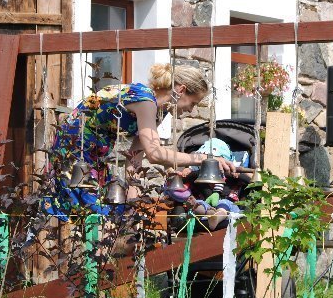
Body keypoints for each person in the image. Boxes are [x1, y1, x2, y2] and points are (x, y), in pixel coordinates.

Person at [50, 63, 238, 212]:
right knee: (92, 213)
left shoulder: (157, 111)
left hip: (95, 154)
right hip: (75, 151)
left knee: (111, 212)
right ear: (181, 90)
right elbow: (155, 153)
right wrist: (206, 159)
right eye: (193, 102)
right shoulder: (145, 102)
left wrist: (134, 203)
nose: (192, 110)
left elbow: (135, 158)